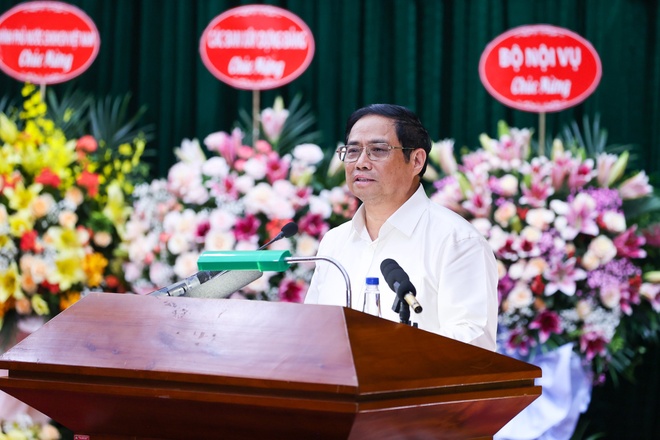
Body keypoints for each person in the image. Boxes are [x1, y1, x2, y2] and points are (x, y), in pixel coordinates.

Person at [304, 104, 498, 351]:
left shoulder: (457, 241)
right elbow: (312, 329)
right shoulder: (334, 241)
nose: (361, 163)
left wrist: (390, 352)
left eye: (377, 150)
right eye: (352, 151)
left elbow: (473, 341)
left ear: (416, 161)